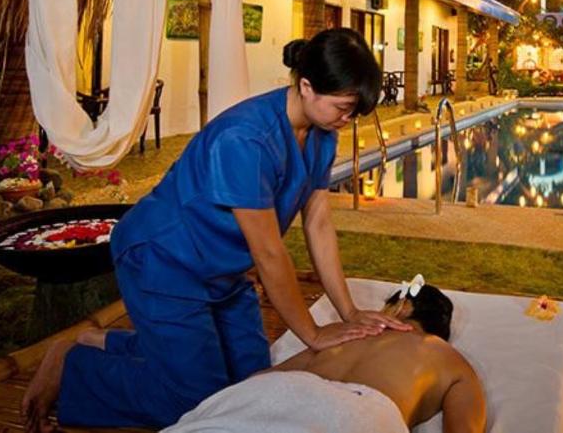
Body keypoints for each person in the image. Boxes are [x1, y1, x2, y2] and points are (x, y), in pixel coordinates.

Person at [21, 29, 411, 433]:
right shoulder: (245, 138)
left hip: (222, 269)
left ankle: (103, 341)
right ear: (307, 86)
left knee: (249, 387)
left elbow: (318, 223)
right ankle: (72, 368)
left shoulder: (321, 136)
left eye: (354, 112)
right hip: (163, 258)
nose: (347, 120)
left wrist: (348, 313)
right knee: (195, 403)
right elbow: (269, 253)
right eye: (343, 108)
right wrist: (313, 334)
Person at [163, 281, 487, 433]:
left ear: (401, 307)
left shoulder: (343, 333)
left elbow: (261, 378)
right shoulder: (449, 360)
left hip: (272, 394)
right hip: (358, 416)